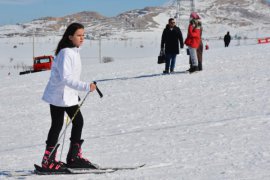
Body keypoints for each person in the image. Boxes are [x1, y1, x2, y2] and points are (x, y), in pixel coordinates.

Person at [41, 22, 97, 172]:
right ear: (70, 36)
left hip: (67, 96)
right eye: (79, 35)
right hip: (58, 96)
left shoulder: (74, 51)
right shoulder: (66, 53)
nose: (82, 38)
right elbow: (66, 78)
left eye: (83, 35)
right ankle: (48, 160)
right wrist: (85, 86)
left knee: (77, 122)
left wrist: (75, 94)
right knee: (58, 125)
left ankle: (73, 157)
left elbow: (70, 78)